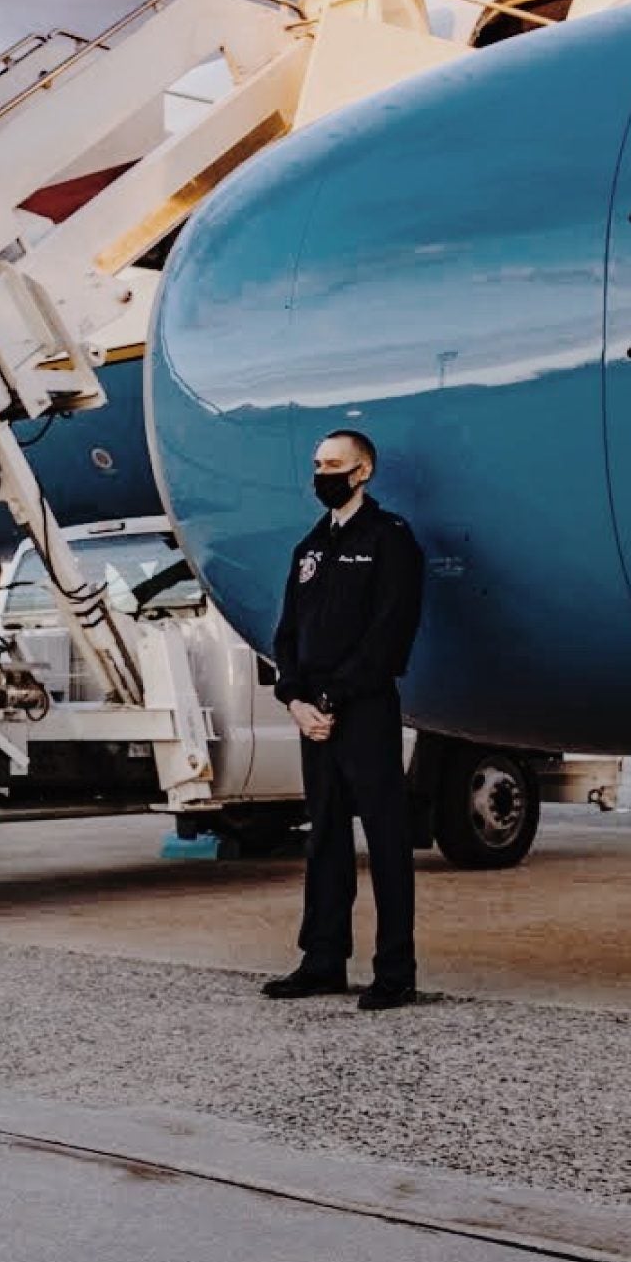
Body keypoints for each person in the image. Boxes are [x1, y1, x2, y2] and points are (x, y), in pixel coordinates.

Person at [262, 430, 424, 1012]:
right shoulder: (309, 548)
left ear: (363, 472)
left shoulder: (390, 539)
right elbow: (287, 633)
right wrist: (295, 699)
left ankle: (395, 972)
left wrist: (331, 697)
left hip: (365, 713)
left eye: (334, 464)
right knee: (325, 839)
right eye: (316, 464)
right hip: (315, 720)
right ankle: (323, 960)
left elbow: (390, 633)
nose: (322, 473)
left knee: (385, 841)